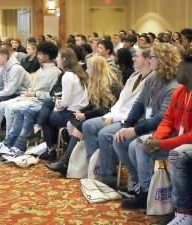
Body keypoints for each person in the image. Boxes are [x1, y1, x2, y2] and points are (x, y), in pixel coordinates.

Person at [112, 43, 179, 209]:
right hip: (150, 127)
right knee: (119, 139)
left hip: (168, 133)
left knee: (138, 145)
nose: (149, 60)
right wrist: (126, 125)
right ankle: (136, 182)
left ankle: (145, 191)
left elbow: (161, 118)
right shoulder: (152, 77)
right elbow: (139, 103)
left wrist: (134, 130)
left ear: (162, 60)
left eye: (152, 57)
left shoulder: (173, 85)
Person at [81, 46, 154, 191]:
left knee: (105, 133)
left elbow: (137, 109)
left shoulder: (151, 80)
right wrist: (110, 115)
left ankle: (108, 177)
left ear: (146, 60)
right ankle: (95, 168)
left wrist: (114, 119)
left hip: (133, 120)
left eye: (137, 56)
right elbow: (121, 101)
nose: (133, 58)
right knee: (88, 125)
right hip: (118, 115)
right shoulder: (134, 77)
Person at [0, 42, 59, 148]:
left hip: (40, 102)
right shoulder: (41, 70)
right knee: (0, 105)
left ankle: (9, 143)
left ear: (47, 55)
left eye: (40, 54)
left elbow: (53, 96)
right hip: (29, 98)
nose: (37, 56)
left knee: (9, 107)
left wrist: (35, 93)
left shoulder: (55, 72)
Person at [46, 54, 122, 169]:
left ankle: (67, 163)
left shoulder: (113, 85)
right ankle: (71, 163)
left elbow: (105, 109)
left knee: (80, 126)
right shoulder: (95, 83)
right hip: (100, 115)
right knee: (72, 122)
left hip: (112, 118)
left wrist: (85, 115)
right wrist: (80, 112)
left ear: (96, 69)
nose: (86, 70)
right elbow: (92, 105)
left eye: (89, 68)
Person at [161, 49, 192, 225]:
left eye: (180, 68)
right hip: (179, 139)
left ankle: (184, 212)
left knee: (176, 154)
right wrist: (156, 139)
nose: (176, 71)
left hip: (185, 143)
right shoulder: (180, 90)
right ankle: (147, 194)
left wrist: (165, 143)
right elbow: (167, 119)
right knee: (140, 145)